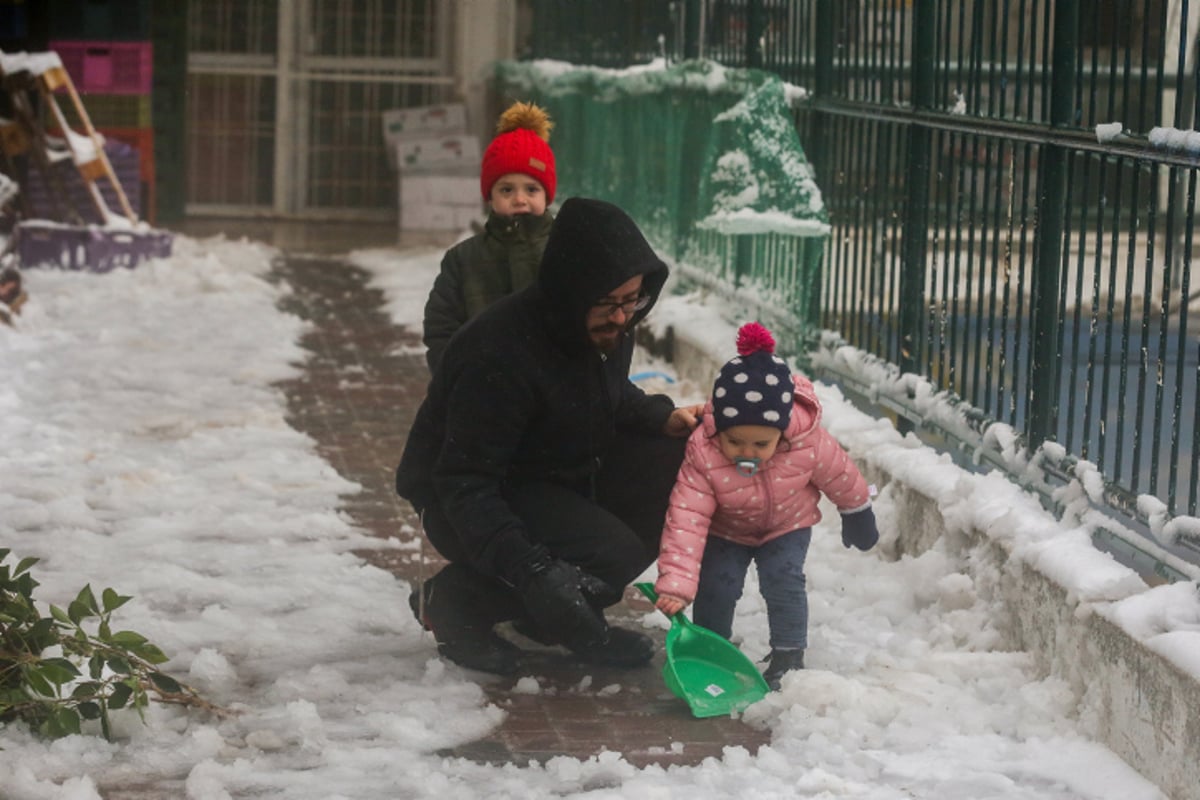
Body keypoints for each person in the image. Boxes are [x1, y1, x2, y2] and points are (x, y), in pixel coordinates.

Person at [396, 196, 705, 675]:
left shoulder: (602, 328)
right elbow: (464, 482)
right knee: (609, 553)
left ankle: (550, 615)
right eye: (608, 303)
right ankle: (457, 603)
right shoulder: (498, 355)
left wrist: (659, 418)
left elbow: (602, 391)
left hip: (546, 472)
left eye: (633, 299)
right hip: (463, 496)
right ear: (569, 294)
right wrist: (532, 569)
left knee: (681, 461)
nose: (623, 317)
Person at [652, 322, 879, 690]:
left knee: (784, 579)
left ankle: (788, 655)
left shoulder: (806, 442)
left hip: (787, 526)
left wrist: (857, 512)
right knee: (717, 586)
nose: (747, 452)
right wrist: (676, 584)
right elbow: (686, 518)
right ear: (719, 429)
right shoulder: (703, 453)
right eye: (735, 440)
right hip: (728, 531)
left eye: (761, 444)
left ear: (782, 432)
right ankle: (713, 651)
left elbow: (841, 474)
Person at [422, 100, 558, 373]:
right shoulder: (463, 259)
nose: (520, 199)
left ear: (547, 195)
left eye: (531, 190)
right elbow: (441, 327)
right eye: (506, 190)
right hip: (483, 392)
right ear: (490, 197)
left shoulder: (565, 251)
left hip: (553, 395)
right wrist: (455, 379)